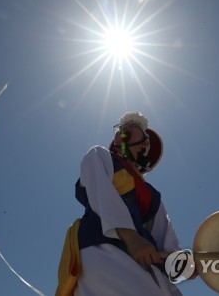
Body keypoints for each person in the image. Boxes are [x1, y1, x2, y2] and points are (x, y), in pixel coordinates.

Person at [56, 111, 187, 296]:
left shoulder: (152, 195)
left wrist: (183, 265)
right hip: (105, 250)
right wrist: (132, 238)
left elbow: (165, 238)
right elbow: (102, 195)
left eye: (132, 127)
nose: (123, 130)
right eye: (120, 129)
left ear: (145, 144)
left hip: (150, 267)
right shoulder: (100, 156)